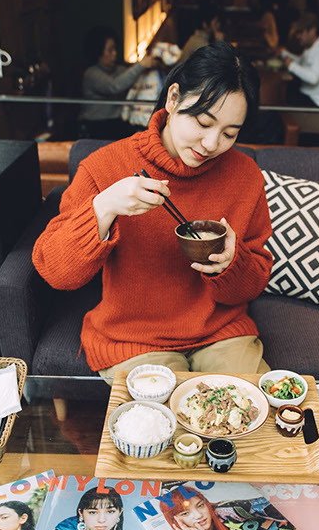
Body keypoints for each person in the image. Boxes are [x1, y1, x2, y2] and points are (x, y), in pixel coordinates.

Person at [33, 42, 274, 378]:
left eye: (229, 133)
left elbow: (252, 285)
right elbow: (56, 273)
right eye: (203, 122)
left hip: (221, 334)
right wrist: (105, 207)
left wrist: (232, 263)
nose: (211, 144)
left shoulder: (245, 176)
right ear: (173, 99)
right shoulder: (104, 167)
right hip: (135, 340)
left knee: (245, 408)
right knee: (160, 413)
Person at [79, 27, 156, 140]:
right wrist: (141, 65)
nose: (114, 53)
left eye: (115, 49)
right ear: (98, 52)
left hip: (117, 123)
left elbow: (130, 79)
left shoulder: (119, 70)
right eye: (110, 50)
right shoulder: (91, 73)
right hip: (96, 125)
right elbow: (114, 86)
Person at [280, 12, 319, 107]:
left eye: (301, 32)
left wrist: (291, 65)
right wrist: (284, 54)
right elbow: (301, 62)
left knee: (280, 95)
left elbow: (314, 78)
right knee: (283, 90)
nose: (298, 36)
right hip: (307, 95)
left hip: (317, 102)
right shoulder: (311, 46)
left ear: (312, 31)